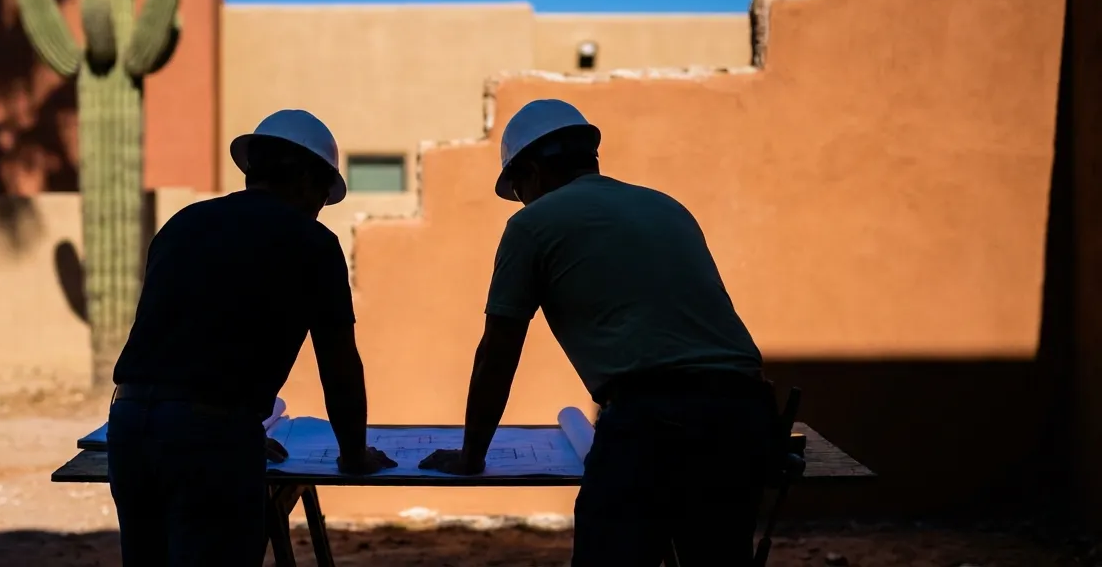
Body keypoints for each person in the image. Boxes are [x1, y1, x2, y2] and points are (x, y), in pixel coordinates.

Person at [419, 98, 779, 566]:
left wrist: (471, 456)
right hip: (745, 415)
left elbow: (498, 352)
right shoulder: (667, 207)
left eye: (520, 187)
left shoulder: (532, 225)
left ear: (529, 172)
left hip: (653, 419)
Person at [106, 108, 397, 567]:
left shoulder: (183, 224)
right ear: (304, 178)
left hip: (128, 427)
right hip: (211, 440)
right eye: (324, 191)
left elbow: (179, 341)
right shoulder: (311, 243)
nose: (321, 205)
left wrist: (234, 426)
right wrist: (355, 454)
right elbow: (338, 364)